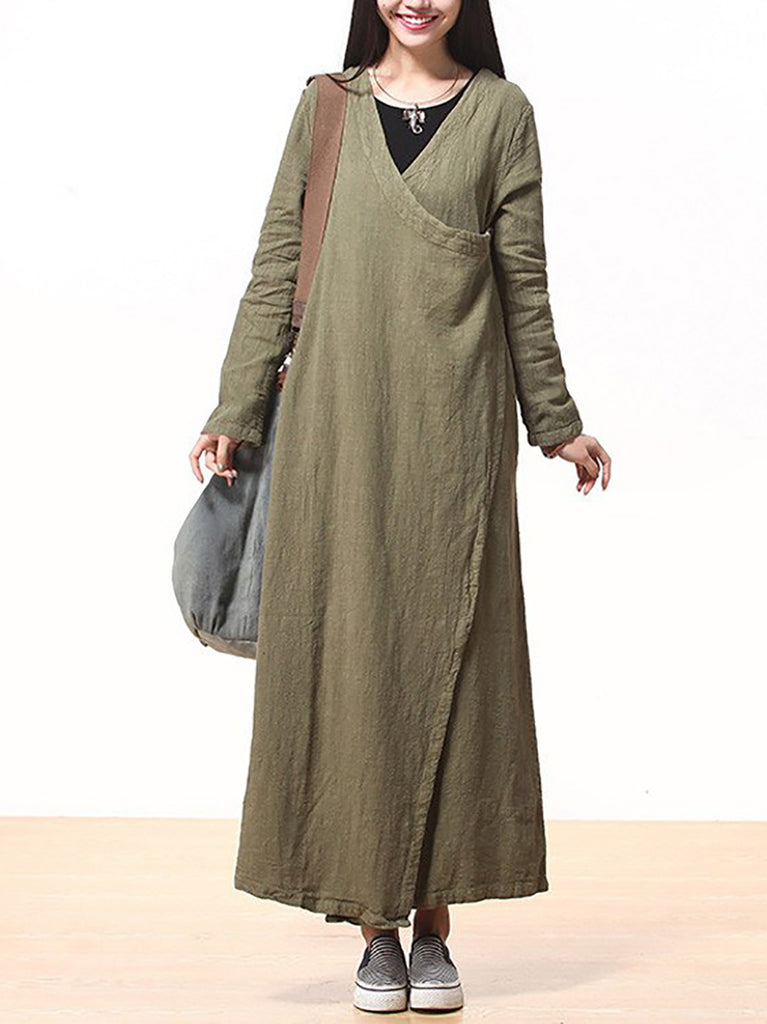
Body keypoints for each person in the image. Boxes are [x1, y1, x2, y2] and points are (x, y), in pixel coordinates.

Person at [189, 0, 611, 1014]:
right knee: (351, 661)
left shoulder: (501, 112)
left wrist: (553, 420)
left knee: (455, 663)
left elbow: (521, 279)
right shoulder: (325, 107)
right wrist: (235, 405)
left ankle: (433, 924)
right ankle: (373, 928)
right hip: (337, 421)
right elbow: (277, 264)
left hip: (456, 429)